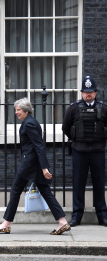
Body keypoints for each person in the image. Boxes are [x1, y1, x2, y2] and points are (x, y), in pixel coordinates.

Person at [0, 97, 70, 235]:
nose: (16, 112)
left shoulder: (29, 124)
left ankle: (6, 224)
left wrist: (44, 168)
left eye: (18, 110)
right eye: (15, 110)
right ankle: (62, 221)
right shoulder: (30, 122)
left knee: (15, 190)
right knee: (45, 191)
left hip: (30, 163)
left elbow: (39, 146)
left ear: (26, 110)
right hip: (34, 163)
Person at [62, 76, 107, 227]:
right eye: (86, 91)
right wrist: (75, 139)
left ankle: (102, 216)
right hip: (79, 151)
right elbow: (65, 127)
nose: (88, 94)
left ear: (95, 92)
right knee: (78, 184)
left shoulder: (103, 108)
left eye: (91, 91)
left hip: (97, 151)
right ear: (81, 92)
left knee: (99, 183)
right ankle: (76, 217)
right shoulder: (74, 108)